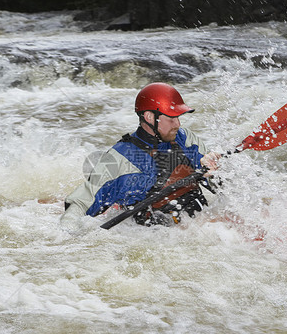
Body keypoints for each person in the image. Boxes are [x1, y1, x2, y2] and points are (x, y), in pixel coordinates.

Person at [61, 82, 220, 228]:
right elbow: (80, 205)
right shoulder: (120, 159)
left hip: (200, 223)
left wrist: (213, 170)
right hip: (157, 237)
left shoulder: (185, 138)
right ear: (150, 117)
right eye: (171, 118)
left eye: (178, 117)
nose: (178, 124)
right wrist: (69, 235)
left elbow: (219, 182)